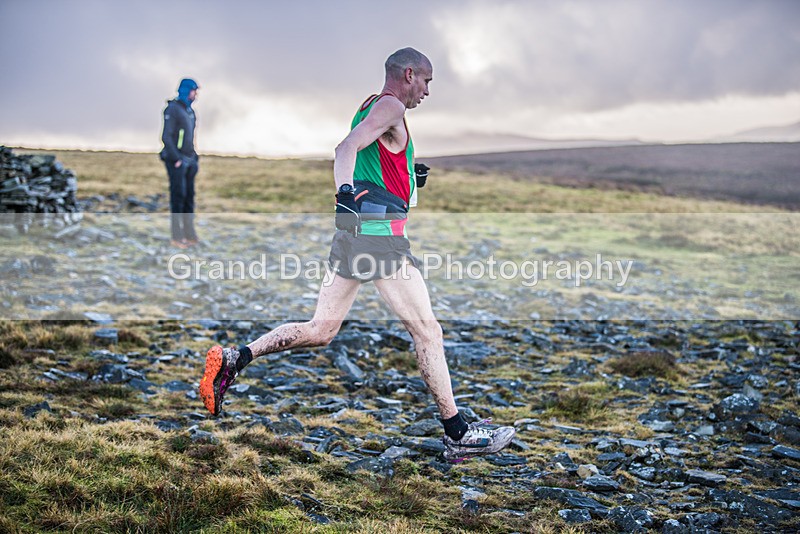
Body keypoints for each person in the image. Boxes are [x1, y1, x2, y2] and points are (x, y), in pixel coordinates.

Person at [199, 48, 515, 462]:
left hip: (355, 237)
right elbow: (346, 148)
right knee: (427, 331)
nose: (427, 91)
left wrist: (408, 178)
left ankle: (235, 358)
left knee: (321, 329)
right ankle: (457, 432)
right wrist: (344, 193)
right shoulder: (390, 106)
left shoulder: (368, 106)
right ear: (408, 74)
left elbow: (371, 156)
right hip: (379, 240)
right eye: (427, 81)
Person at [160, 78, 200, 248]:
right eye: (194, 90)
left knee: (189, 198)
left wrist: (195, 158)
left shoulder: (189, 111)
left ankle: (190, 235)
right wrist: (176, 159)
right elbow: (166, 137)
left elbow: (190, 137)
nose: (196, 94)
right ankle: (176, 237)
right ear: (186, 90)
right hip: (176, 161)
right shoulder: (173, 109)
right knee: (178, 198)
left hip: (190, 161)